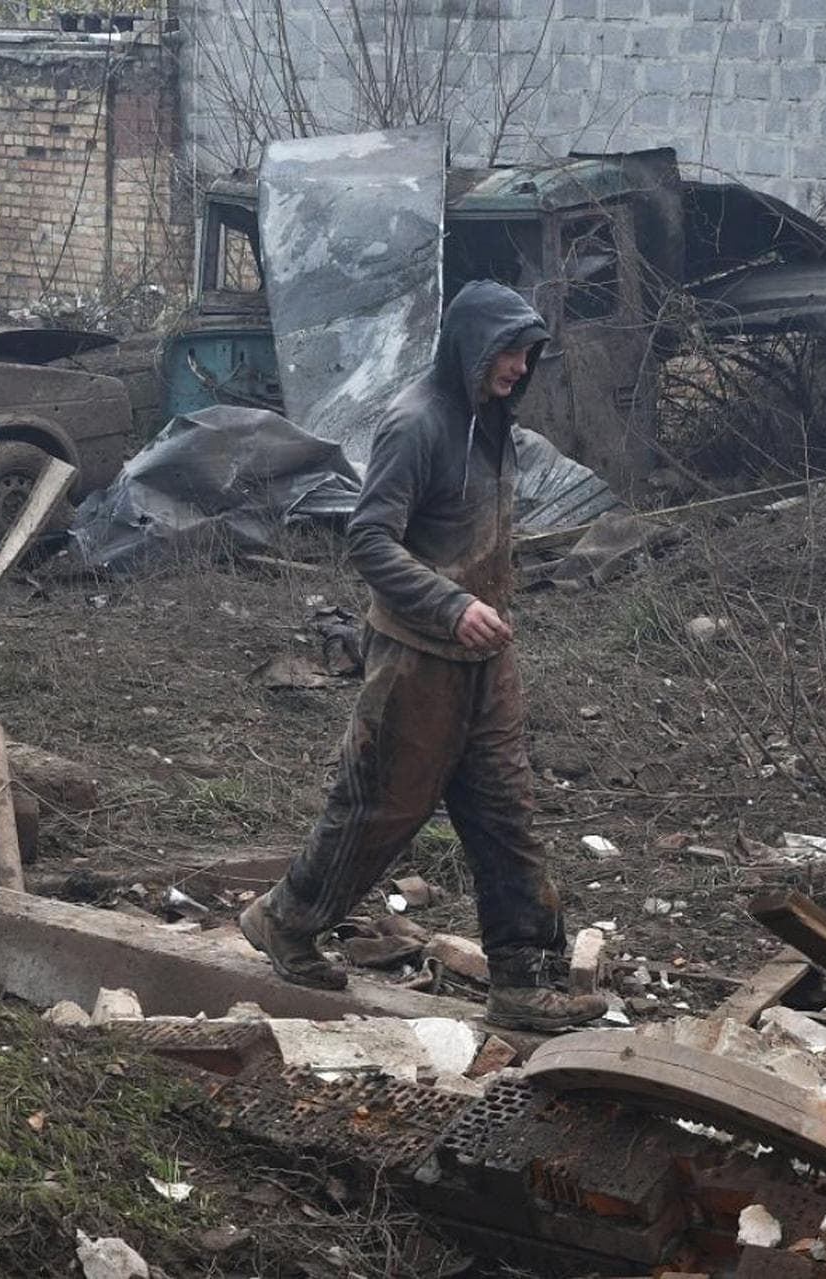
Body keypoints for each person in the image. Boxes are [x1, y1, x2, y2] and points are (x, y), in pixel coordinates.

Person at [239, 279, 606, 1033]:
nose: (518, 366)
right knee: (381, 811)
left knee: (507, 813)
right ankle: (287, 920)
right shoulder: (417, 424)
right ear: (470, 347)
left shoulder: (492, 418)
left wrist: (483, 610)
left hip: (484, 659)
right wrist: (450, 604)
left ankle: (521, 977)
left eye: (527, 354)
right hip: (417, 659)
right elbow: (370, 538)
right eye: (507, 352)